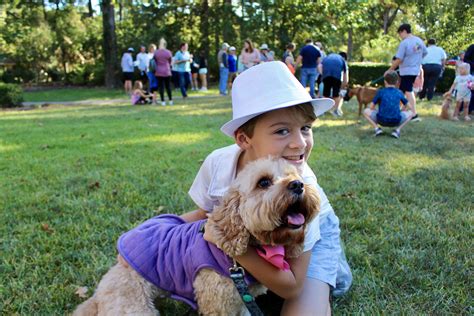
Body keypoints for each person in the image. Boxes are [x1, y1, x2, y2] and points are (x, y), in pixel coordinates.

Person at [184, 61, 352, 315]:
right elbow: (201, 215)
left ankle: (332, 272)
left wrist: (228, 244)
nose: (299, 143)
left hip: (305, 238)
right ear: (243, 139)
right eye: (282, 131)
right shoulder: (218, 164)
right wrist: (152, 232)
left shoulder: (304, 182)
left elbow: (292, 286)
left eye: (305, 128)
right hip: (256, 235)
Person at [386, 23, 427, 122]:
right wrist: (416, 60)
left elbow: (399, 59)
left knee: (408, 91)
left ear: (404, 31)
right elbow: (425, 53)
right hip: (415, 70)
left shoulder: (405, 43)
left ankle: (414, 113)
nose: (400, 36)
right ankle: (400, 110)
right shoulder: (419, 41)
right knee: (402, 91)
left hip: (406, 70)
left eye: (400, 34)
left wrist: (390, 69)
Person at [363, 71, 413, 139]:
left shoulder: (380, 92)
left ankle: (377, 129)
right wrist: (402, 110)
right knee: (412, 113)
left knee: (366, 111)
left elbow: (371, 107)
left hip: (381, 120)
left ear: (385, 81)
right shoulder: (399, 92)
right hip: (396, 120)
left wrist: (377, 110)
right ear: (397, 82)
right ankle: (397, 130)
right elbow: (409, 106)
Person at [320, 52, 349, 117]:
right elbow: (345, 75)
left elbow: (319, 66)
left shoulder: (327, 57)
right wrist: (344, 85)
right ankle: (335, 111)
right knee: (336, 95)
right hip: (336, 76)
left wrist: (322, 74)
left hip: (326, 76)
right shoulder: (342, 60)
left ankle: (322, 111)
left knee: (325, 94)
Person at [154, 39, 173, 106]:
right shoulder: (168, 52)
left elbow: (155, 61)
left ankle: (163, 101)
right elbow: (170, 62)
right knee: (168, 86)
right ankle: (170, 100)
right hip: (167, 71)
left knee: (161, 87)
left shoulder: (156, 53)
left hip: (159, 71)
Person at [463, 44, 474, 114]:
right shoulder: (472, 47)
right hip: (472, 71)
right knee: (469, 90)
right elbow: (466, 59)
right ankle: (467, 108)